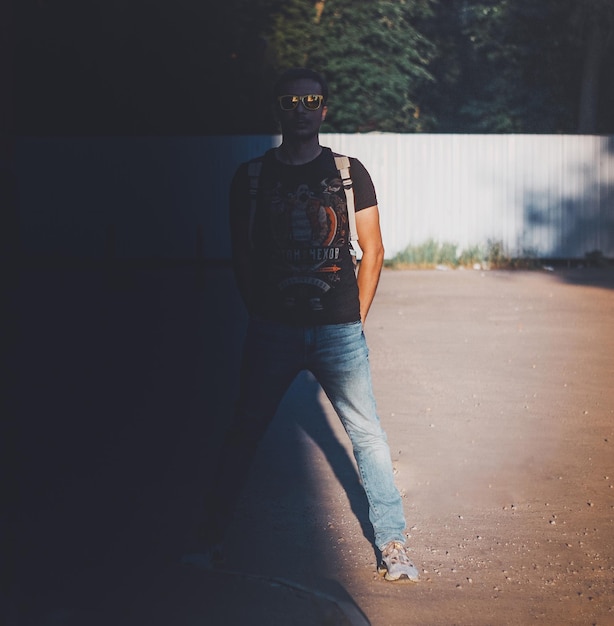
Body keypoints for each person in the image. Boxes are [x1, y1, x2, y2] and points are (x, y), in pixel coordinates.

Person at [189, 67, 419, 582]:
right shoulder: (251, 176)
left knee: (368, 437)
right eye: (290, 100)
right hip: (273, 329)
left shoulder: (348, 171)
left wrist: (354, 318)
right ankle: (209, 540)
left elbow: (373, 248)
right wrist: (260, 312)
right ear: (278, 110)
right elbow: (242, 254)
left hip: (339, 332)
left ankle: (394, 544)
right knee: (244, 431)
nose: (301, 108)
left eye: (311, 99)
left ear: (324, 109)